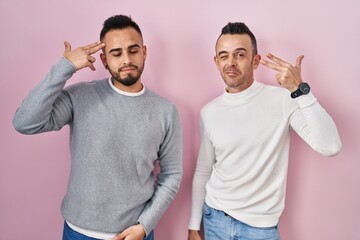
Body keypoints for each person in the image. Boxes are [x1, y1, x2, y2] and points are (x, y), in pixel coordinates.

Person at [13, 15, 182, 240]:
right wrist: (66, 67)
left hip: (135, 234)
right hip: (77, 232)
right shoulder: (80, 96)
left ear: (144, 52)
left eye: (133, 50)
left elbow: (171, 174)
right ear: (103, 60)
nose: (126, 59)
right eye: (116, 53)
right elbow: (25, 122)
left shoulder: (166, 111)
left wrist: (145, 226)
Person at [188, 22, 341, 240]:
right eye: (223, 56)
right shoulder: (208, 111)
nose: (230, 62)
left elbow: (330, 146)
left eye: (239, 54)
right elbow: (204, 170)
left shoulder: (283, 99)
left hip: (259, 229)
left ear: (256, 60)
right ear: (216, 61)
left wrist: (300, 90)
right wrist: (194, 225)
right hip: (215, 219)